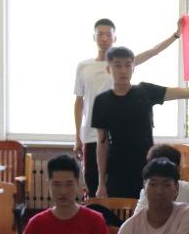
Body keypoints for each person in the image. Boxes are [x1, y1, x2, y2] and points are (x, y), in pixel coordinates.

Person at [91, 44, 189, 199]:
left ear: (134, 67)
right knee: (118, 212)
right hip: (116, 170)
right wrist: (101, 182)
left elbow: (182, 92)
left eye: (128, 65)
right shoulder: (102, 101)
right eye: (118, 65)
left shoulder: (145, 91)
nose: (123, 71)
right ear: (108, 68)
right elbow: (102, 144)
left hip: (147, 168)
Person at [73, 17, 181, 195]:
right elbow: (79, 101)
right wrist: (77, 136)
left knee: (121, 186)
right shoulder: (84, 66)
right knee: (94, 186)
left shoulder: (122, 63)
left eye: (109, 35)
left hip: (117, 137)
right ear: (94, 37)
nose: (104, 38)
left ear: (115, 38)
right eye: (100, 34)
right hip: (91, 136)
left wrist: (175, 35)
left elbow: (153, 51)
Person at [18, 154, 110, 234]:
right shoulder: (36, 224)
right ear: (48, 185)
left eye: (69, 184)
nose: (63, 191)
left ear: (78, 184)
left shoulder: (95, 220)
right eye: (57, 184)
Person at [115, 158, 189, 234]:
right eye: (153, 184)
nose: (159, 191)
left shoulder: (187, 214)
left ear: (176, 188)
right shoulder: (128, 229)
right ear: (144, 188)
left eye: (166, 185)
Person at [132, 144, 189, 218]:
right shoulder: (148, 192)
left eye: (166, 170)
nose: (159, 191)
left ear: (178, 170)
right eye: (153, 183)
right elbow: (137, 222)